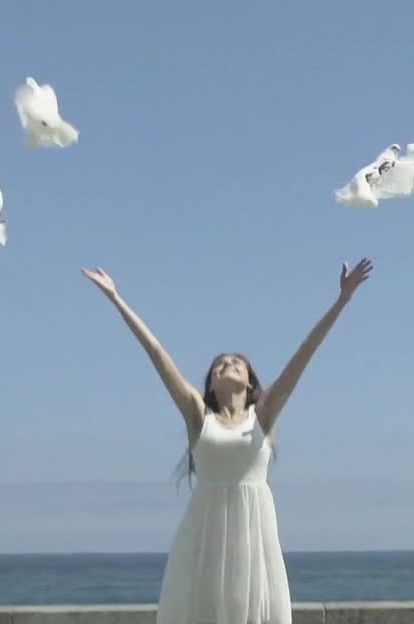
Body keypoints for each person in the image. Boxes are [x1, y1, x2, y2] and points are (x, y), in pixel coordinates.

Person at [81, 258, 374, 624]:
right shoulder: (197, 416)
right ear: (210, 383)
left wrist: (341, 301)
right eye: (220, 364)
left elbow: (304, 354)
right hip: (205, 532)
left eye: (236, 362)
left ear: (250, 383)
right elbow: (157, 353)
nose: (227, 365)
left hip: (255, 535)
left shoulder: (263, 416)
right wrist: (116, 298)